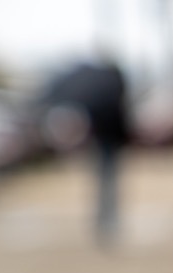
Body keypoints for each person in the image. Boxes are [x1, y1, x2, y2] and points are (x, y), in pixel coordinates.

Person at [42, 59, 131, 244]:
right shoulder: (111, 97)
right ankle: (107, 219)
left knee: (104, 181)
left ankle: (105, 219)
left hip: (104, 142)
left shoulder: (100, 97)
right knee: (107, 181)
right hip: (108, 143)